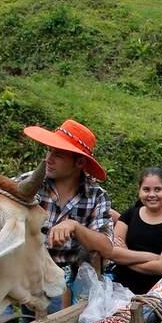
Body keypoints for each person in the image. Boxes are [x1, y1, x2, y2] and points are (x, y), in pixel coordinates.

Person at [20, 118, 115, 309]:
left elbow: (106, 248)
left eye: (59, 155)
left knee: (56, 305)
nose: (49, 159)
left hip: (65, 276)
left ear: (79, 162)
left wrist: (75, 226)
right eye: (49, 151)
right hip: (22, 270)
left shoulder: (96, 196)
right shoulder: (28, 183)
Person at [110, 168, 162, 295]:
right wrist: (150, 257)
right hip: (119, 287)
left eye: (157, 189)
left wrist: (126, 257)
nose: (151, 195)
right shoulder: (130, 214)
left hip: (155, 294)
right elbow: (112, 252)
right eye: (146, 189)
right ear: (139, 191)